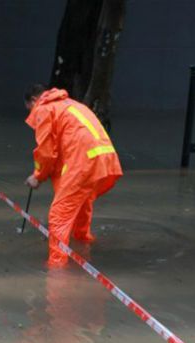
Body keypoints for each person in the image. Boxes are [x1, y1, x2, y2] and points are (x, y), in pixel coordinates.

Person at [24, 83, 122, 269]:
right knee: (81, 200)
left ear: (34, 100)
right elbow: (62, 150)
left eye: (29, 109)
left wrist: (37, 176)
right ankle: (83, 241)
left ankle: (57, 265)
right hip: (103, 156)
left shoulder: (45, 109)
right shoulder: (70, 105)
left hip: (83, 160)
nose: (32, 115)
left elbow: (46, 151)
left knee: (59, 214)